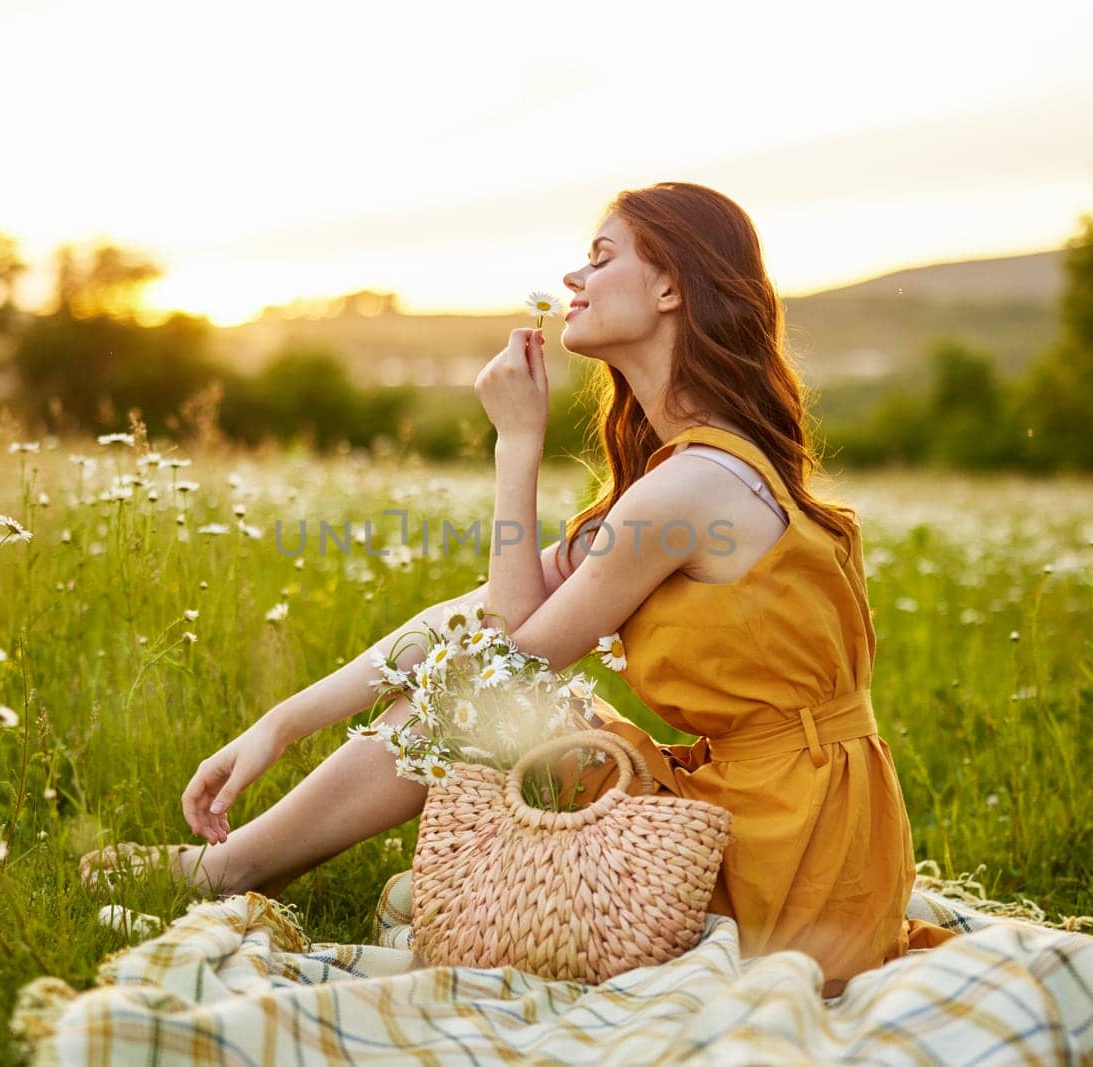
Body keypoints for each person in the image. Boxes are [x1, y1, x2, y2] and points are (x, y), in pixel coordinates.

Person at [81, 180, 958, 996]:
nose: (573, 276)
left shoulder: (689, 491)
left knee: (492, 700)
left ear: (671, 289)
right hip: (773, 807)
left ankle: (231, 869)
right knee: (493, 694)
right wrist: (279, 724)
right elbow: (467, 621)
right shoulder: (676, 478)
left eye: (602, 255)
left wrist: (516, 448)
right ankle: (241, 865)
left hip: (796, 851)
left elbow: (501, 662)